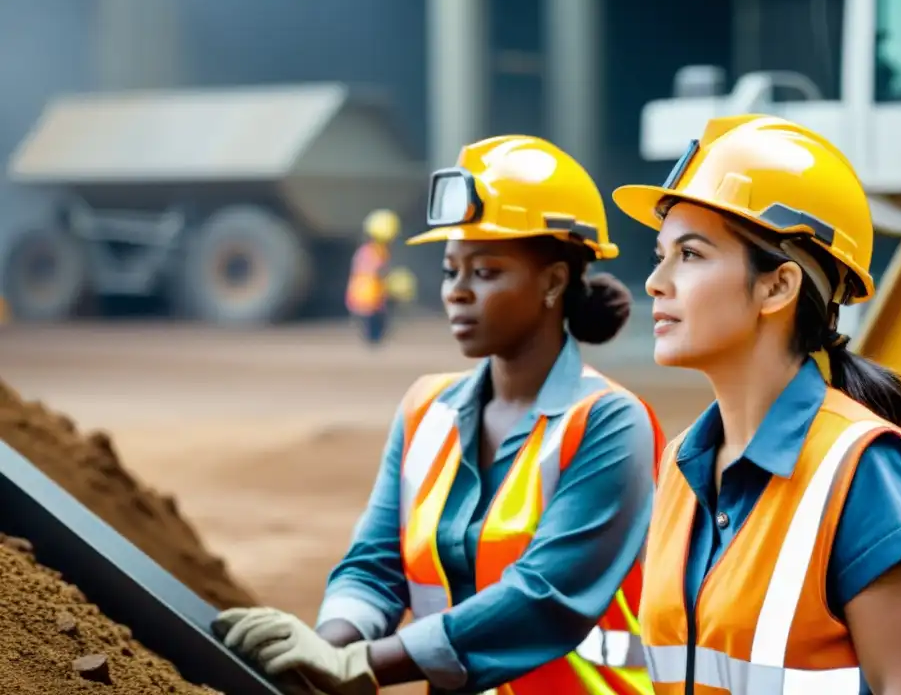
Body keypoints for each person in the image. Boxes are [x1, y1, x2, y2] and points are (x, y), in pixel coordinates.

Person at [214, 135, 665, 695]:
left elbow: (545, 597)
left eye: (486, 271)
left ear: (552, 282)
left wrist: (365, 665)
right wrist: (323, 648)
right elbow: (374, 565)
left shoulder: (611, 422)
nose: (457, 292)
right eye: (453, 271)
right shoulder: (425, 409)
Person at [612, 115, 901, 695]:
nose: (656, 281)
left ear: (777, 287)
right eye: (661, 255)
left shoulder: (867, 476)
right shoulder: (681, 466)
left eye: (692, 255)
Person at [346, 209, 401, 345]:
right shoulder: (375, 251)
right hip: (370, 299)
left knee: (372, 330)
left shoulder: (368, 250)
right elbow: (378, 272)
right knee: (374, 333)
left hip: (365, 298)